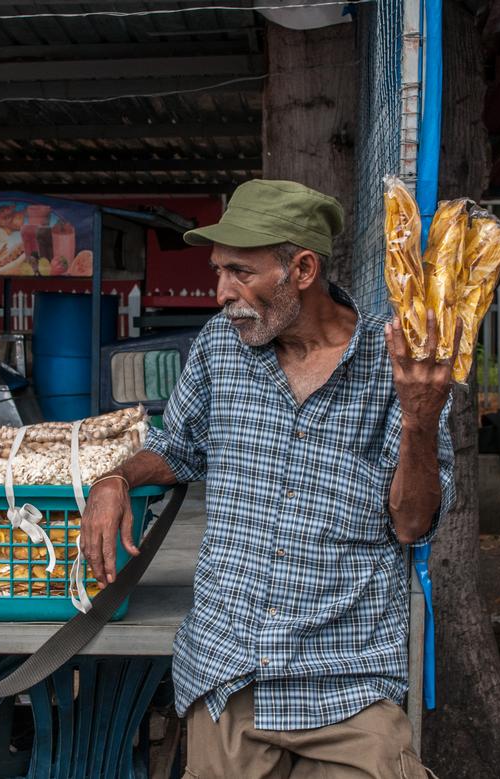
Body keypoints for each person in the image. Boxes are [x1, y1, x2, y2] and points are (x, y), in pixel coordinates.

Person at [80, 179, 455, 778]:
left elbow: (411, 523)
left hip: (346, 683)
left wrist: (419, 420)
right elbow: (176, 448)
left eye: (240, 272)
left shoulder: (399, 364)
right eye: (218, 271)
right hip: (230, 673)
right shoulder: (220, 348)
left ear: (302, 269)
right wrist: (115, 480)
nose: (222, 292)